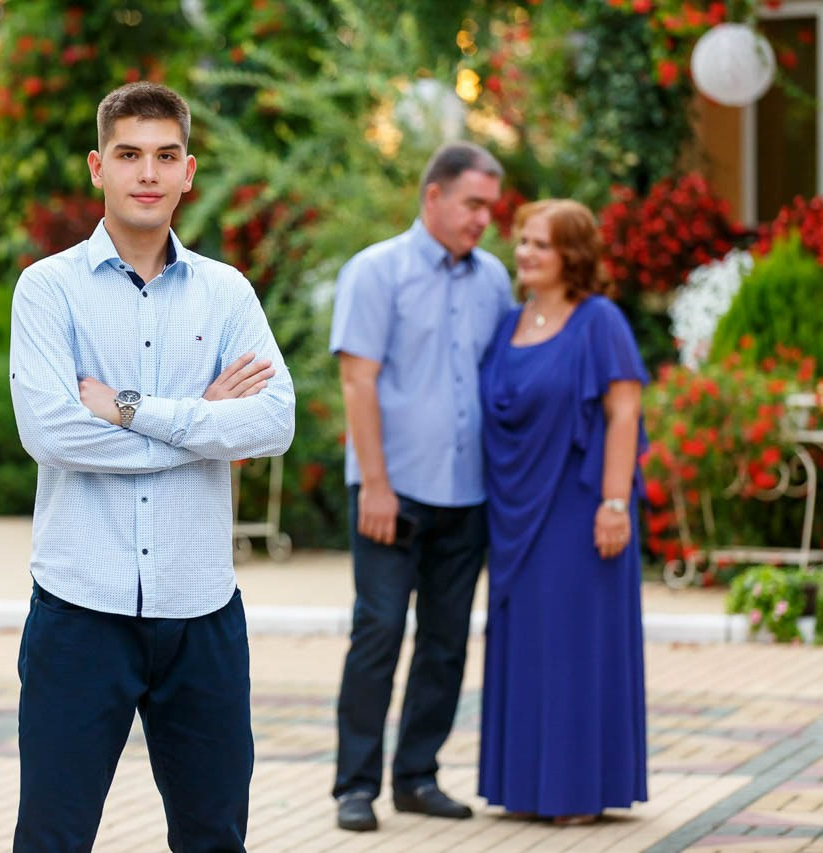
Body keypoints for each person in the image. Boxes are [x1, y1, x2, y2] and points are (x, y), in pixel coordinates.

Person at [8, 82, 296, 851]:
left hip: (200, 609)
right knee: (52, 838)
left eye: (166, 156)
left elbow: (274, 421)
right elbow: (53, 433)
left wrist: (132, 408)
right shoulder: (47, 290)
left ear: (189, 171)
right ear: (97, 166)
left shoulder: (227, 293)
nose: (148, 173)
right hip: (80, 609)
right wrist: (204, 421)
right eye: (129, 154)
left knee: (214, 838)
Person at [329, 142, 513, 832]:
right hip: (393, 492)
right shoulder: (376, 270)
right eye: (473, 204)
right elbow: (358, 381)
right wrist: (375, 485)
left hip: (468, 495)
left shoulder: (494, 279)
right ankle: (355, 785)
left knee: (446, 641)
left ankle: (416, 776)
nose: (484, 219)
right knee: (378, 632)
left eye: (490, 207)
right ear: (433, 196)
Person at [476, 199, 649, 824]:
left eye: (540, 244)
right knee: (527, 644)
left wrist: (614, 503)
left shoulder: (600, 320)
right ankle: (525, 788)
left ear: (571, 255)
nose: (524, 253)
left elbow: (624, 412)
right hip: (513, 513)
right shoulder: (509, 323)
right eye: (523, 241)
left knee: (574, 646)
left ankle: (575, 791)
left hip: (580, 511)